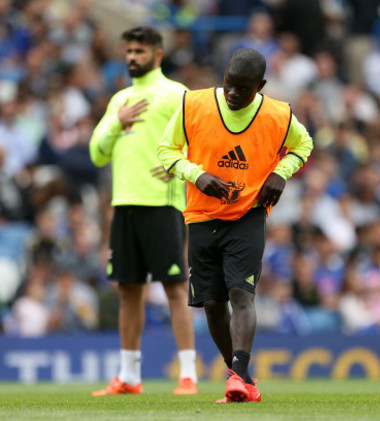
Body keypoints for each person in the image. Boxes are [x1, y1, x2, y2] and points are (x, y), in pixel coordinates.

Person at [158, 48, 313, 403]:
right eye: (229, 84)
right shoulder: (193, 105)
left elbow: (304, 144)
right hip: (201, 215)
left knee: (241, 294)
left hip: (247, 214)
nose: (232, 94)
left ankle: (237, 377)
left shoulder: (278, 114)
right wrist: (197, 175)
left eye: (243, 89)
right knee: (212, 304)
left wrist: (280, 172)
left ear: (260, 86)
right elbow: (166, 150)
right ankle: (241, 376)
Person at [89, 26, 197, 396]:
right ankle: (130, 377)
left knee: (174, 288)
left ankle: (188, 375)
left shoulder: (175, 94)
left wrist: (178, 164)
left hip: (162, 204)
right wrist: (118, 123)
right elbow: (96, 152)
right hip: (125, 205)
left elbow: (200, 140)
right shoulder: (119, 99)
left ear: (157, 54)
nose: (132, 57)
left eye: (140, 51)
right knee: (127, 291)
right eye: (129, 50)